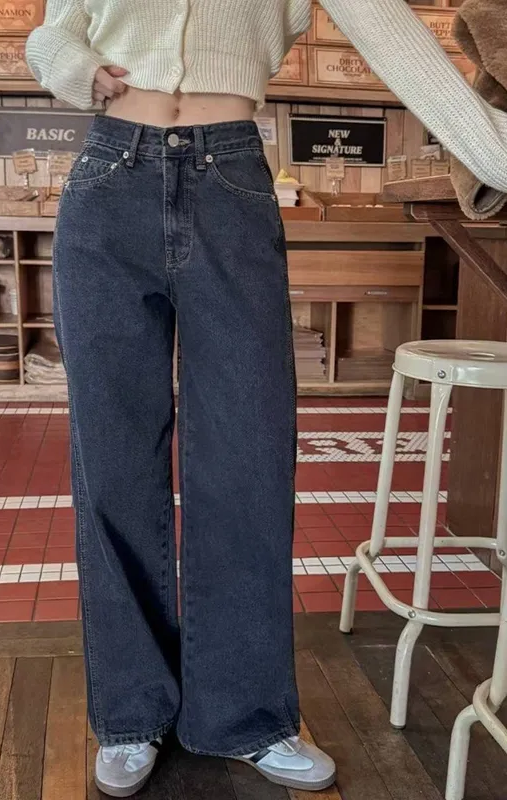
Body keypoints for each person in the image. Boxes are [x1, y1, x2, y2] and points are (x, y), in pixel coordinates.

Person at [26, 0, 507, 796]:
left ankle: (247, 715)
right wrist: (77, 69)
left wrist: (495, 153)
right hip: (109, 177)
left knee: (247, 457)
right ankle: (132, 713)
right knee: (113, 461)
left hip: (229, 180)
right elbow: (54, 29)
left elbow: (396, 40)